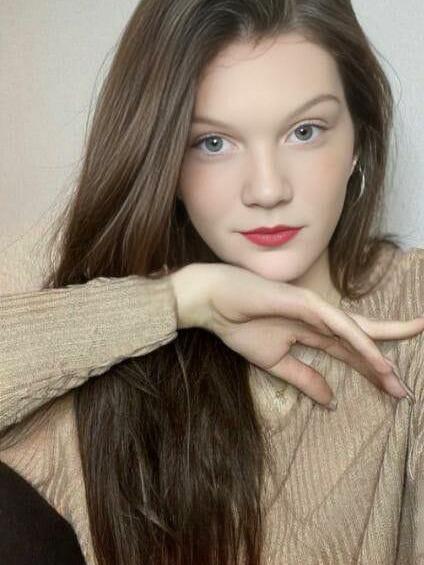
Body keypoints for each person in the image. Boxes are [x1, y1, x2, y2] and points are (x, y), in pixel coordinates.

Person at [1, 0, 424, 563]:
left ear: (357, 142)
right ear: (167, 164)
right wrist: (177, 301)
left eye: (305, 131)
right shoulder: (108, 352)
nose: (267, 190)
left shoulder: (414, 306)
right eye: (213, 143)